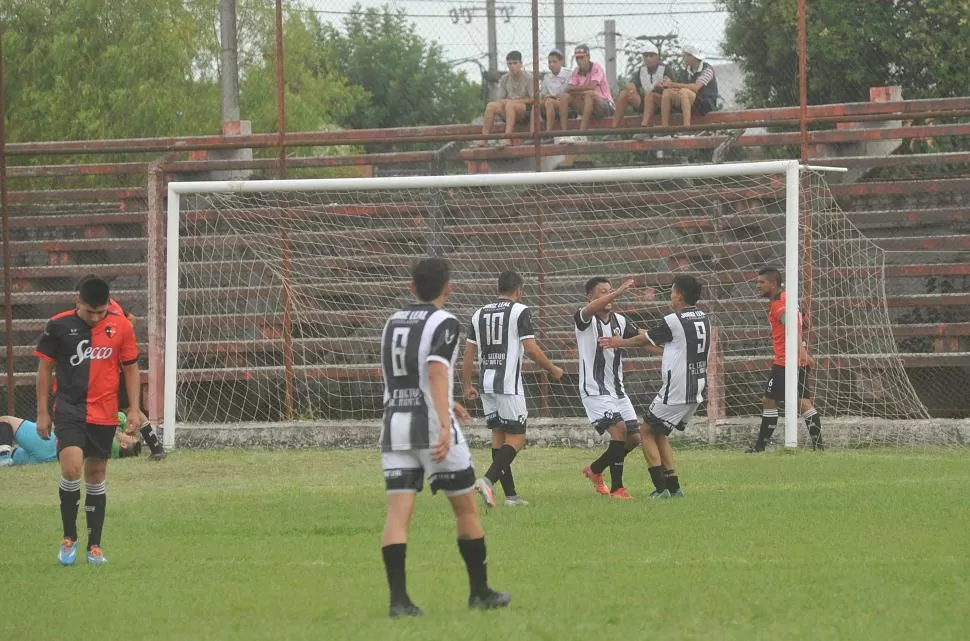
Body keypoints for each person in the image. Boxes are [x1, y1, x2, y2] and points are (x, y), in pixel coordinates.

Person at [379, 257, 511, 618]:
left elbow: (405, 371)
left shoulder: (393, 321)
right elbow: (436, 370)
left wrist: (445, 399)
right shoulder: (446, 321)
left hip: (395, 427)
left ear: (412, 288)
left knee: (398, 516)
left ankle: (399, 602)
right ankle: (480, 592)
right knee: (465, 509)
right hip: (432, 429)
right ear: (448, 289)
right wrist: (441, 417)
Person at [35, 275, 147, 566]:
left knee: (96, 476)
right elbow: (45, 370)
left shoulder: (121, 326)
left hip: (105, 411)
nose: (96, 318)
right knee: (72, 468)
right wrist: (43, 412)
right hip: (69, 409)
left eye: (101, 312)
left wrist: (134, 408)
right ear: (78, 303)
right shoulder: (58, 325)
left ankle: (94, 546)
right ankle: (69, 538)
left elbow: (132, 369)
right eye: (90, 312)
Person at [599, 275, 709, 498]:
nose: (670, 296)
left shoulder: (673, 320)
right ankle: (674, 487)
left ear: (678, 295)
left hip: (676, 388)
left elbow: (644, 340)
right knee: (659, 434)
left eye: (671, 292)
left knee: (646, 431)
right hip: (696, 386)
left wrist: (619, 342)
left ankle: (660, 489)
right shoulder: (703, 317)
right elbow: (663, 339)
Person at [462, 270, 565, 508]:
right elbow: (529, 347)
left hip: (486, 384)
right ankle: (487, 480)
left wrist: (467, 385)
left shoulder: (479, 314)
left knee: (499, 437)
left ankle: (510, 496)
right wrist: (552, 369)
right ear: (519, 290)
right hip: (508, 385)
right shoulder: (520, 310)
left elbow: (468, 353)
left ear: (498, 289)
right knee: (517, 438)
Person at [76, 274, 166, 460]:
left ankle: (156, 449)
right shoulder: (112, 304)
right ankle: (155, 448)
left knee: (128, 409)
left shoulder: (103, 311)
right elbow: (131, 319)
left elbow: (125, 324)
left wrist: (117, 342)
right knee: (125, 409)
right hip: (114, 368)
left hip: (114, 370)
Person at [574, 277, 641, 499]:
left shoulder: (620, 321)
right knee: (620, 430)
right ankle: (618, 489)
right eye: (602, 292)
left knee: (634, 438)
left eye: (610, 291)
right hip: (594, 389)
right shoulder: (583, 318)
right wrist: (620, 291)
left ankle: (595, 470)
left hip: (617, 390)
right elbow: (589, 311)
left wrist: (664, 346)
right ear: (590, 297)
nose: (609, 296)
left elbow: (641, 337)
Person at [747, 267, 824, 452]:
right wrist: (778, 331)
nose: (758, 286)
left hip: (786, 361)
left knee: (769, 400)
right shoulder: (788, 299)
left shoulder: (778, 304)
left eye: (761, 282)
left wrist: (800, 351)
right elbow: (805, 322)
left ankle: (760, 447)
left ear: (773, 284)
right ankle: (819, 447)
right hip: (797, 360)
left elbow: (793, 326)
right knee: (803, 402)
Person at [0, 414, 142, 467]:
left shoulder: (108, 435)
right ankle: (7, 457)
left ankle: (3, 458)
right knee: (15, 455)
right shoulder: (107, 453)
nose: (126, 433)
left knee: (6, 420)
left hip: (50, 443)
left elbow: (119, 416)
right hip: (50, 459)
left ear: (123, 444)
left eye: (129, 437)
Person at [557, 44, 615, 141]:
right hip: (588, 107)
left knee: (589, 94)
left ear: (588, 56)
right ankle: (564, 133)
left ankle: (581, 134)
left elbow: (592, 87)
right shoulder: (576, 71)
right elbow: (568, 89)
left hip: (605, 106)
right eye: (577, 58)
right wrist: (580, 90)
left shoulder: (596, 67)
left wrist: (576, 90)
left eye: (582, 57)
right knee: (565, 97)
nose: (579, 60)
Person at [476, 50, 533, 147]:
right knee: (491, 106)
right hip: (508, 110)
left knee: (510, 105)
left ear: (521, 64)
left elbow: (533, 99)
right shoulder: (504, 78)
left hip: (524, 112)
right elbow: (501, 99)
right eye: (509, 64)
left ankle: (507, 139)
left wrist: (514, 102)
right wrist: (506, 102)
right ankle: (484, 139)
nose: (512, 66)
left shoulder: (529, 77)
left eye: (515, 63)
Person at [611, 42, 673, 129]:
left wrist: (661, 87)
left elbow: (670, 87)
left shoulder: (665, 68)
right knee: (624, 94)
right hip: (646, 102)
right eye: (645, 56)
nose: (648, 58)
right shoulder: (642, 69)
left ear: (657, 56)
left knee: (650, 96)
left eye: (651, 56)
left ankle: (645, 128)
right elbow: (633, 83)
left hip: (661, 103)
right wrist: (631, 88)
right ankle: (614, 128)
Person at [659, 44, 718, 131]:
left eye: (685, 55)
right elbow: (682, 85)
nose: (683, 58)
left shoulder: (707, 70)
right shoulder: (687, 70)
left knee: (684, 92)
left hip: (706, 103)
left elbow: (695, 88)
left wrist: (672, 84)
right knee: (667, 93)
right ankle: (665, 129)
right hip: (692, 101)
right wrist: (669, 86)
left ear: (692, 57)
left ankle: (686, 128)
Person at [540, 49, 571, 133]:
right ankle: (535, 133)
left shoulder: (568, 74)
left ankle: (548, 133)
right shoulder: (547, 77)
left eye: (554, 61)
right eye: (549, 62)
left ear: (561, 62)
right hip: (550, 102)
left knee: (549, 102)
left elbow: (571, 92)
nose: (551, 64)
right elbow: (543, 94)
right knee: (537, 104)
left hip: (565, 104)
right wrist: (546, 96)